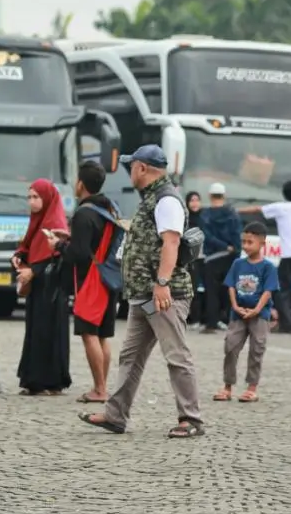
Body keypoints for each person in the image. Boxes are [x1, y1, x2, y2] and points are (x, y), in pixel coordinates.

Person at [80, 145, 205, 439]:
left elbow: (171, 243)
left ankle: (191, 419)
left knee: (176, 355)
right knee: (130, 357)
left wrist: (161, 283)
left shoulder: (166, 200)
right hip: (144, 294)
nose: (129, 173)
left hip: (163, 294)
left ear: (142, 168)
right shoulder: (153, 198)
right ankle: (115, 415)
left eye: (131, 166)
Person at [59, 161, 120, 403]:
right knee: (103, 335)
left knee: (89, 333)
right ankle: (101, 386)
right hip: (109, 276)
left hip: (91, 281)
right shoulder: (110, 208)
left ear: (81, 184)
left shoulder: (84, 212)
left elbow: (79, 254)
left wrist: (60, 245)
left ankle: (100, 389)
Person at [13, 178, 72, 396]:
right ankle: (34, 380)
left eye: (36, 197)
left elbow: (57, 257)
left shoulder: (56, 222)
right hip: (38, 288)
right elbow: (29, 246)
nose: (32, 202)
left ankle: (52, 381)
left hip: (53, 289)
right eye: (29, 197)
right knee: (35, 331)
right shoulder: (37, 220)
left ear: (47, 198)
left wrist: (34, 271)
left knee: (50, 332)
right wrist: (19, 257)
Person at [238, 181, 291, 334]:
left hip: (288, 255)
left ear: (284, 193)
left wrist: (235, 210)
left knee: (281, 291)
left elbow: (257, 209)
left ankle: (287, 326)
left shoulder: (280, 208)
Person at [212, 222, 278, 403]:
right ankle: (227, 386)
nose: (246, 246)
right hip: (238, 314)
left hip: (260, 316)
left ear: (262, 243)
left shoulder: (268, 267)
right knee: (231, 347)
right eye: (244, 242)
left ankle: (251, 387)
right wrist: (234, 306)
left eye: (251, 242)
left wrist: (257, 310)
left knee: (257, 350)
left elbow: (267, 291)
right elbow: (231, 286)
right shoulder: (237, 263)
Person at [200, 183, 241, 332]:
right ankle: (231, 321)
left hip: (212, 258)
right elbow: (237, 236)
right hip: (230, 257)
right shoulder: (232, 214)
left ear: (210, 196)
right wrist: (232, 249)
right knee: (229, 290)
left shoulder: (205, 215)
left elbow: (207, 236)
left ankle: (212, 323)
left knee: (212, 292)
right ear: (224, 196)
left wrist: (222, 246)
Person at [184, 191, 205, 327]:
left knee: (201, 289)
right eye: (192, 200)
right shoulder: (184, 219)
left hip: (204, 257)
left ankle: (199, 318)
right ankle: (191, 318)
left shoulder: (205, 218)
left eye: (197, 200)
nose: (195, 203)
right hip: (189, 259)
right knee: (190, 289)